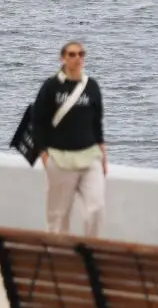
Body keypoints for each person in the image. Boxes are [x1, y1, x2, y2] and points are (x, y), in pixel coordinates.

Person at [33, 40, 106, 235]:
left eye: (81, 54)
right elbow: (37, 121)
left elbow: (97, 124)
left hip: (89, 156)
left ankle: (89, 249)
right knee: (58, 217)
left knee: (96, 209)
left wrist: (103, 155)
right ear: (63, 58)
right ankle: (57, 252)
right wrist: (44, 155)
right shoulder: (51, 86)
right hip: (59, 159)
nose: (77, 58)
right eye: (72, 54)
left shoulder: (91, 86)